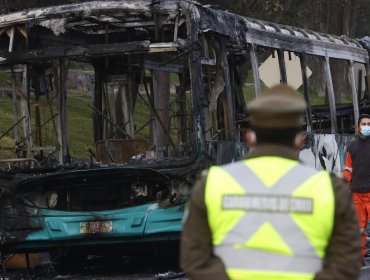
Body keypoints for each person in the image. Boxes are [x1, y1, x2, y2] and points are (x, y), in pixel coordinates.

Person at [180, 84, 362, 280]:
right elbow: (346, 264)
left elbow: (195, 260)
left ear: (249, 137)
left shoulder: (212, 184)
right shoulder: (329, 189)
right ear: (299, 140)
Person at [343, 113, 370, 260]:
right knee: (359, 229)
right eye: (363, 124)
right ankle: (360, 256)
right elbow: (348, 170)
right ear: (358, 127)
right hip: (357, 193)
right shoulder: (352, 147)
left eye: (368, 124)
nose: (366, 127)